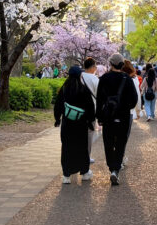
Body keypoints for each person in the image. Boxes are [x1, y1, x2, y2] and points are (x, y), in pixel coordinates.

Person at [95, 53, 138, 186]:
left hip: (108, 116)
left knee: (108, 142)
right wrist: (126, 107)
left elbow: (99, 100)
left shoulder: (104, 78)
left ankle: (111, 166)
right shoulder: (127, 78)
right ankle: (116, 169)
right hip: (123, 116)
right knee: (120, 143)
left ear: (111, 64)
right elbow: (134, 99)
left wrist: (100, 117)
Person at [54, 66, 96, 184]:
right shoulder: (83, 89)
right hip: (81, 124)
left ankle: (66, 175)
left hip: (67, 124)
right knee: (82, 148)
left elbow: (58, 105)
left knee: (67, 148)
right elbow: (90, 107)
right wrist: (91, 122)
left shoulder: (64, 89)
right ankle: (84, 173)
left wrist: (57, 119)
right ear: (79, 75)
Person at [81, 57, 100, 163]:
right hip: (91, 110)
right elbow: (99, 95)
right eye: (95, 66)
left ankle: (78, 155)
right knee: (89, 135)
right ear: (92, 67)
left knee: (80, 134)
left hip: (78, 110)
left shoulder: (79, 76)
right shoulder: (95, 79)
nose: (96, 68)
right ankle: (86, 157)